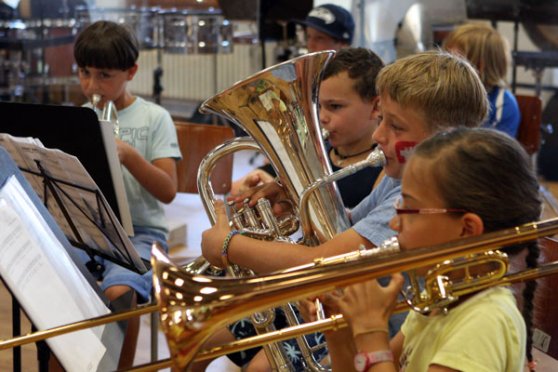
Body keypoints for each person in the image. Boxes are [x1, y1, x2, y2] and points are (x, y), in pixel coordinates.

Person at [197, 50, 488, 371]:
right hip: (364, 322)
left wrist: (228, 245)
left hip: (376, 326)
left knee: (259, 367)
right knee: (209, 335)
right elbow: (345, 229)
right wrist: (298, 200)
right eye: (382, 121)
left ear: (444, 139)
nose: (379, 135)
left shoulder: (418, 202)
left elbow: (320, 262)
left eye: (396, 126)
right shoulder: (400, 183)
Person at [326, 127, 541, 372]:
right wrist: (340, 333)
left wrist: (371, 332)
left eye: (408, 209)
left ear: (467, 230)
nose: (395, 224)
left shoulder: (486, 321)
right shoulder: (441, 297)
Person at [73, 21, 181, 304]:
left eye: (104, 75)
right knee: (54, 278)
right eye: (84, 73)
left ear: (131, 71)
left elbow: (168, 190)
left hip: (143, 233)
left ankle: (121, 351)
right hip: (92, 231)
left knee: (120, 291)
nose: (91, 86)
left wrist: (129, 156)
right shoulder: (81, 118)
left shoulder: (154, 118)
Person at [232, 47, 385, 208]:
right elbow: (236, 189)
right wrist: (254, 185)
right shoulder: (313, 154)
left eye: (335, 106)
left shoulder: (384, 170)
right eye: (318, 106)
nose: (321, 118)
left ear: (375, 108)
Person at [443, 22, 521, 137]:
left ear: (480, 67)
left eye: (453, 61)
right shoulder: (444, 93)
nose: (443, 66)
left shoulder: (503, 104)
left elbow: (489, 151)